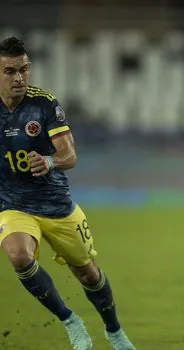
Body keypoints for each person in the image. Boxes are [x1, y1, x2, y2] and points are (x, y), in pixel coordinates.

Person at [0, 36, 135, 350]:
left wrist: (48, 160)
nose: (18, 77)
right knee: (19, 256)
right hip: (13, 205)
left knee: (88, 274)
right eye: (10, 71)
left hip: (56, 205)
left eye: (23, 70)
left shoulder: (44, 104)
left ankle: (114, 331)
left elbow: (69, 156)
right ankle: (70, 321)